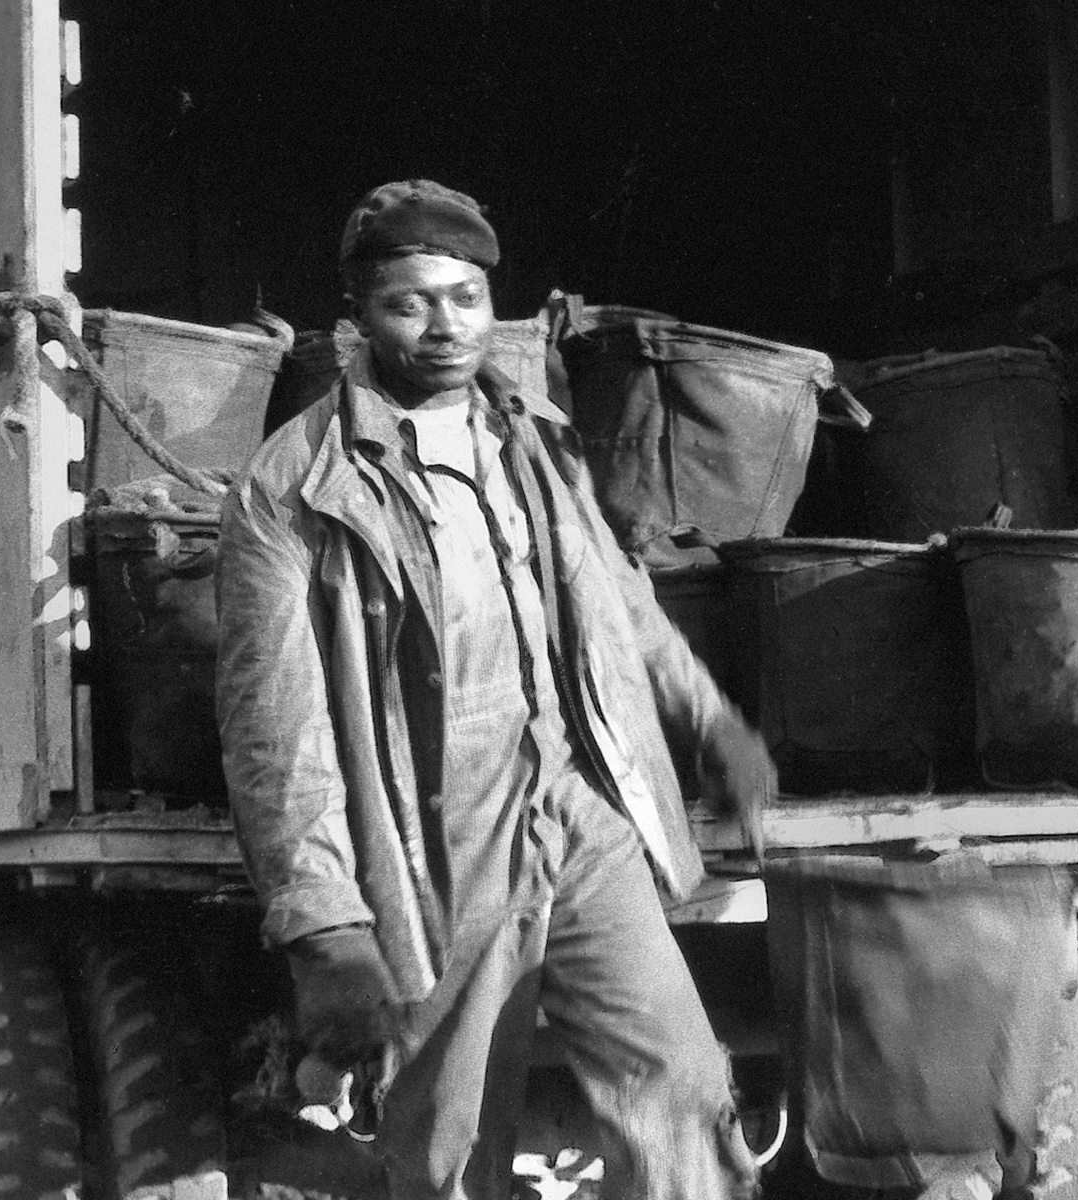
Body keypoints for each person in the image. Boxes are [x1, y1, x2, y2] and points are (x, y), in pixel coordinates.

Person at [216, 180, 774, 1200]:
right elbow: (274, 727)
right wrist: (324, 924)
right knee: (451, 1153)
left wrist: (712, 720)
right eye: (410, 302)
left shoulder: (533, 438)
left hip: (575, 804)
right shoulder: (291, 489)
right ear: (356, 321)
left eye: (465, 298)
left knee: (686, 1094)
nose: (443, 328)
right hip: (439, 839)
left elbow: (622, 604)